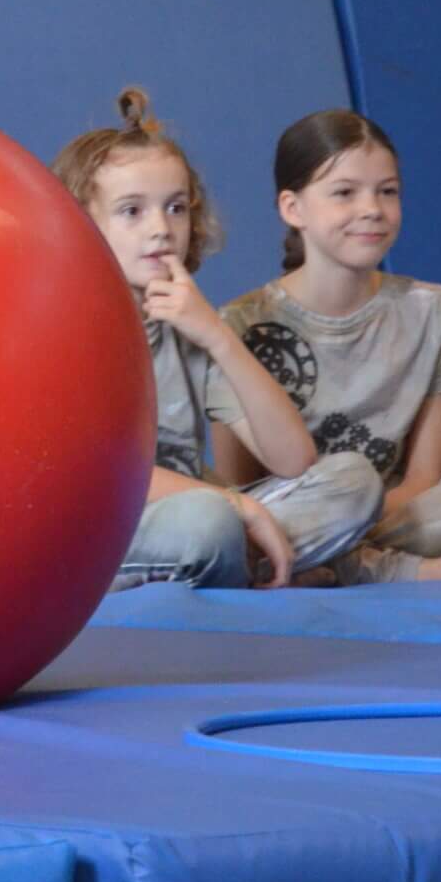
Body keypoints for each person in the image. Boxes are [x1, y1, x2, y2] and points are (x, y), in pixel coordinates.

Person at [54, 89, 382, 588]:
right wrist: (233, 505)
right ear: (83, 222)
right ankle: (253, 566)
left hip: (209, 517)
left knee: (354, 482)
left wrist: (216, 336)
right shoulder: (67, 332)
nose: (161, 228)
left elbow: (293, 459)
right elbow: (95, 475)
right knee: (207, 522)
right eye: (132, 211)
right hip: (104, 533)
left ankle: (246, 568)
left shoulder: (190, 325)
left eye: (175, 208)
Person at [222, 110, 441, 581]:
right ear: (292, 208)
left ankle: (343, 569)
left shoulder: (435, 313)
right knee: (346, 486)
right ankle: (417, 574)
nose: (372, 208)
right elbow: (241, 486)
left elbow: (423, 479)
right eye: (345, 192)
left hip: (389, 517)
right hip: (297, 521)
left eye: (387, 191)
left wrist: (359, 520)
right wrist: (340, 509)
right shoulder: (240, 324)